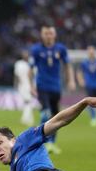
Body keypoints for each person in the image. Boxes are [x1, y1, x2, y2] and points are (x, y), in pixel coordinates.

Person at [29, 25, 75, 154]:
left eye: (50, 33)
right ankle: (42, 143)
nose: (48, 36)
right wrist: (31, 86)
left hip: (56, 87)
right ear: (42, 35)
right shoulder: (36, 50)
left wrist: (71, 80)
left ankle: (52, 143)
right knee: (46, 113)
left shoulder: (60, 49)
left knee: (56, 116)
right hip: (42, 86)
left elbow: (67, 65)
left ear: (54, 35)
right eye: (45, 33)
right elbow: (30, 69)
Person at [76, 46, 96, 127]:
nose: (91, 53)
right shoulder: (84, 62)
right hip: (89, 85)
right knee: (89, 102)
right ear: (88, 53)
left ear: (94, 53)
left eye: (92, 52)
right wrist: (81, 81)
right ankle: (93, 118)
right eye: (90, 52)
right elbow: (79, 72)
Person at [14, 49, 34, 126]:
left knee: (28, 102)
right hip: (22, 85)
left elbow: (33, 75)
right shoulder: (19, 64)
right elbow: (16, 75)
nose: (25, 56)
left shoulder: (31, 64)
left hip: (30, 85)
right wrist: (15, 84)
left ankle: (26, 119)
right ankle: (27, 119)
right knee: (27, 102)